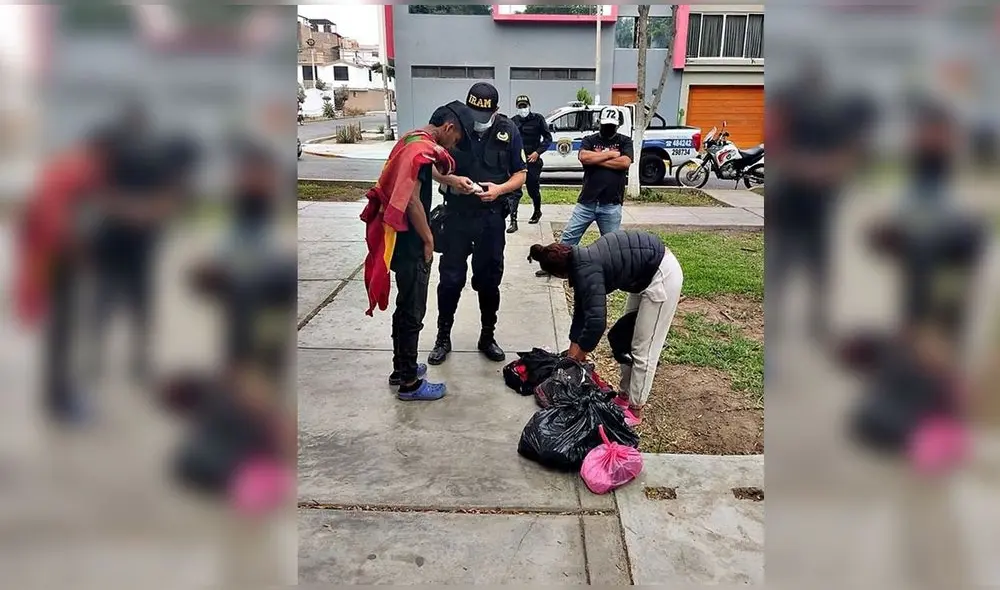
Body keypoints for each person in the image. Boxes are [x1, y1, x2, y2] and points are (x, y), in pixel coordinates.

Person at [361, 100, 474, 400]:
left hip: (398, 236)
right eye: (458, 138)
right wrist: (428, 240)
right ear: (449, 128)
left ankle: (401, 368)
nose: (455, 144)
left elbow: (422, 172)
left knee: (404, 306)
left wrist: (451, 180)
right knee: (413, 310)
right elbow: (411, 200)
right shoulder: (419, 148)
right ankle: (409, 382)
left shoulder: (413, 139)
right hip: (410, 240)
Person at [14, 127, 117, 423]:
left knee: (59, 328)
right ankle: (58, 398)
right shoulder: (84, 169)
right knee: (62, 328)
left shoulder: (65, 164)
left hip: (46, 252)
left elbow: (50, 209)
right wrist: (78, 251)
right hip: (57, 255)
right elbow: (61, 215)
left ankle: (57, 393)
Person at [528, 230, 683, 426]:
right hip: (644, 274)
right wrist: (571, 357)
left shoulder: (587, 272)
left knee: (644, 348)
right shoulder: (580, 260)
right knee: (623, 341)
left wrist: (578, 357)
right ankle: (624, 397)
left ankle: (636, 410)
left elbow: (596, 323)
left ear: (560, 273)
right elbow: (581, 314)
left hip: (662, 274)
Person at [428, 82, 527, 366]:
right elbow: (432, 166)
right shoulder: (456, 128)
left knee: (488, 281)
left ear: (496, 111)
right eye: (472, 114)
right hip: (457, 216)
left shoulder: (508, 130)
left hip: (491, 219)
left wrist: (498, 190)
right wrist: (451, 181)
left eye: (484, 116)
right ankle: (442, 337)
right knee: (450, 280)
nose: (476, 122)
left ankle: (487, 335)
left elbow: (520, 174)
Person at [536, 107, 632, 277]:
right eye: (605, 124)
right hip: (587, 201)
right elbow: (584, 157)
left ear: (617, 125)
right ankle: (554, 266)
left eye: (612, 125)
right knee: (569, 236)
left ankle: (612, 273)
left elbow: (624, 163)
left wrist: (597, 159)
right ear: (599, 123)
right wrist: (611, 154)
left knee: (612, 243)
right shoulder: (589, 139)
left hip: (611, 203)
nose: (608, 128)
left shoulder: (625, 141)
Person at [510, 94, 552, 232]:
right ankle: (513, 221)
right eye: (520, 106)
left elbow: (547, 138)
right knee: (514, 191)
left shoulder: (538, 119)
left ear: (529, 106)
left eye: (524, 106)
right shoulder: (513, 122)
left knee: (533, 189)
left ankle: (537, 211)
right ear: (517, 107)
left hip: (533, 160)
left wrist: (537, 152)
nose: (522, 108)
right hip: (517, 161)